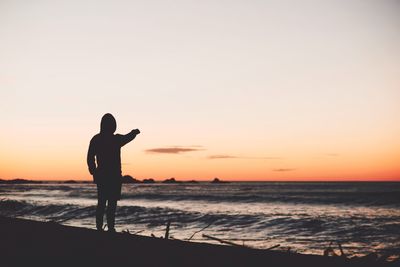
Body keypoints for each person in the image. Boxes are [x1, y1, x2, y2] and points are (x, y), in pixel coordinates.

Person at [87, 113, 140, 232]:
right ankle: (110, 228)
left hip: (105, 177)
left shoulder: (98, 139)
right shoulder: (114, 139)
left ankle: (100, 228)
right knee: (110, 204)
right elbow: (127, 137)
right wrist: (134, 133)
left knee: (103, 203)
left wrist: (93, 171)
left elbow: (90, 157)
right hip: (113, 177)